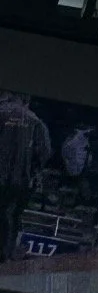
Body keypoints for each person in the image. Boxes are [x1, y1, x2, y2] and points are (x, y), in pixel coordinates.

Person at [0, 92, 51, 261]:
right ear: (27, 99)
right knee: (11, 215)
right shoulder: (36, 121)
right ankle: (4, 257)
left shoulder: (1, 112)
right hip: (20, 181)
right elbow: (44, 153)